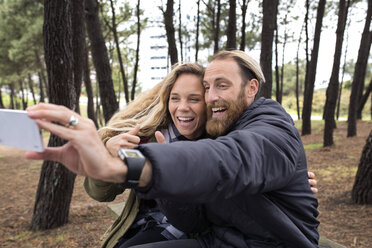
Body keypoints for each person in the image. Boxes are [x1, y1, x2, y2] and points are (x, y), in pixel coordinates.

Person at [26, 50, 319, 247]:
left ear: (251, 88)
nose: (210, 96)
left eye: (220, 86)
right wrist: (112, 157)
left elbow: (233, 157)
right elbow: (194, 216)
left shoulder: (259, 126)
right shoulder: (154, 133)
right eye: (207, 87)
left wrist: (127, 165)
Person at [84, 63, 208, 248]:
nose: (182, 107)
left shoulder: (218, 142)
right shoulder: (146, 139)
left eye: (194, 99)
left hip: (187, 233)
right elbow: (100, 194)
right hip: (144, 226)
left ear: (208, 102)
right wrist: (107, 156)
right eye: (175, 98)